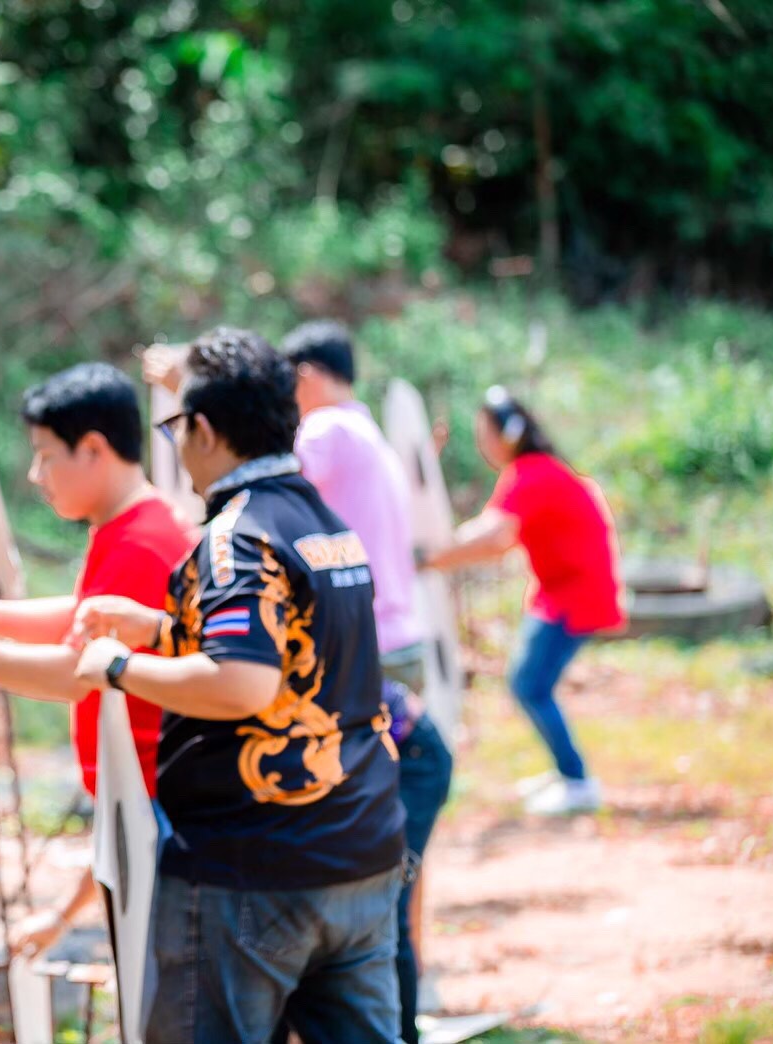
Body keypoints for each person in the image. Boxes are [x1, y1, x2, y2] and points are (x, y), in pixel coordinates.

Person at [76, 328, 405, 1044]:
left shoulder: (236, 535)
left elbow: (242, 683)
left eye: (174, 427)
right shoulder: (324, 523)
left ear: (202, 428)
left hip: (254, 864)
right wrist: (162, 629)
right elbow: (293, 656)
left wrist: (117, 667)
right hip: (359, 850)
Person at [0, 362, 195, 958]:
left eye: (46, 457)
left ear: (93, 449)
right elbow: (78, 617)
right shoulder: (130, 525)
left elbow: (76, 674)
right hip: (144, 808)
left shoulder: (142, 542)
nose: (35, 474)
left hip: (158, 815)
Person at [281, 320, 453, 1044]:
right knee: (392, 857)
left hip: (363, 648)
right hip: (397, 639)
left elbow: (259, 478)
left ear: (306, 376)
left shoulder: (325, 433)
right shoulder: (369, 433)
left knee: (370, 868)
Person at [423, 386, 625, 816]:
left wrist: (434, 557)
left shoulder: (533, 474)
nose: (482, 445)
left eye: (485, 435)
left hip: (576, 594)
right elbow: (491, 529)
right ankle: (566, 772)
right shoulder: (532, 472)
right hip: (558, 592)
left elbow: (495, 536)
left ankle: (577, 780)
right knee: (530, 684)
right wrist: (444, 553)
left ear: (507, 436)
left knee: (530, 685)